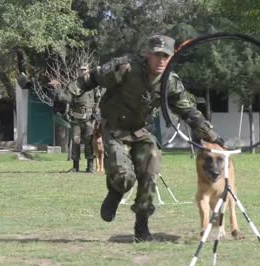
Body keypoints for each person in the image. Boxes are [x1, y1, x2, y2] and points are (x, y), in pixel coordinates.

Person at [69, 35, 224, 242]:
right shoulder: (126, 69)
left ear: (170, 58)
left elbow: (188, 111)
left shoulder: (170, 82)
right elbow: (93, 78)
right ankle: (115, 192)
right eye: (157, 55)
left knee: (150, 170)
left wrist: (211, 135)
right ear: (147, 54)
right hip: (115, 128)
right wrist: (67, 94)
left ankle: (141, 225)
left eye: (165, 56)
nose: (161, 60)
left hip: (141, 131)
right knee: (125, 177)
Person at [64, 64, 102, 173]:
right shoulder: (73, 85)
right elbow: (67, 100)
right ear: (77, 71)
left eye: (85, 70)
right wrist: (67, 112)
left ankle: (90, 167)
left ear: (88, 71)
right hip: (76, 119)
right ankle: (75, 166)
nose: (83, 71)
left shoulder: (94, 85)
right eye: (81, 70)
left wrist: (96, 112)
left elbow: (98, 99)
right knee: (76, 141)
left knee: (89, 142)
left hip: (89, 120)